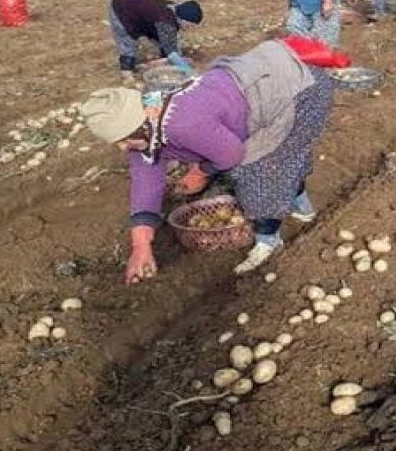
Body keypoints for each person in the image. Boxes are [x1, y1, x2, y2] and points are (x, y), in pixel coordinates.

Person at [79, 39, 335, 283]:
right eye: (117, 142)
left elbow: (231, 154)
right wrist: (141, 246)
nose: (123, 147)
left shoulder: (182, 123)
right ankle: (302, 208)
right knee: (284, 157)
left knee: (260, 168)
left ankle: (268, 241)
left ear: (138, 125)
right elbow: (145, 180)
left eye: (124, 139)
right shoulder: (148, 115)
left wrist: (200, 171)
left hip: (298, 90)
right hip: (266, 76)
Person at [108, 0, 201, 74]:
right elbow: (171, 51)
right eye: (190, 25)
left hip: (141, 14)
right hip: (121, 9)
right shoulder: (166, 21)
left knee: (162, 39)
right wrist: (188, 70)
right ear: (183, 20)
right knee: (128, 42)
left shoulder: (175, 12)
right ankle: (127, 74)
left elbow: (169, 39)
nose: (190, 28)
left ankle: (160, 63)